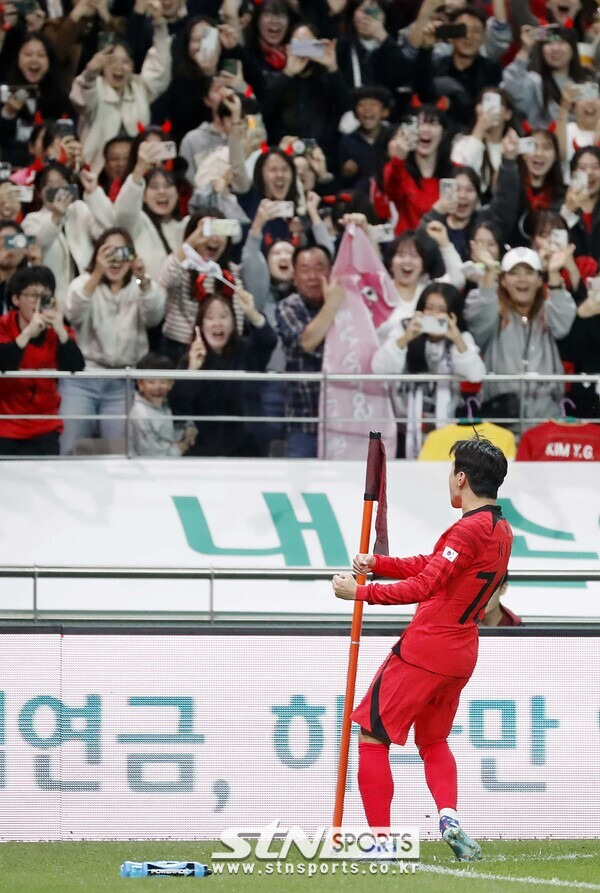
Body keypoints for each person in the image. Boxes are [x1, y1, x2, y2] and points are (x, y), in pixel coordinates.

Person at [331, 436, 513, 861]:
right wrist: (379, 564)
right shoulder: (501, 530)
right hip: (462, 652)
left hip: (427, 648)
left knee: (372, 736)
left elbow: (424, 586)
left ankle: (381, 843)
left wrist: (360, 593)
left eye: (452, 473)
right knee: (433, 742)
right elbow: (432, 567)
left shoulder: (467, 529)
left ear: (462, 478)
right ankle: (448, 817)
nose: (449, 481)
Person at [60, 226, 165, 454]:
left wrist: (143, 280)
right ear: (98, 254)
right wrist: (97, 272)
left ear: (132, 257)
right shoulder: (84, 282)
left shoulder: (141, 286)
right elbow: (73, 314)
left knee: (120, 452)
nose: (116, 261)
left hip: (123, 380)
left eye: (122, 253)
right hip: (83, 379)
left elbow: (155, 316)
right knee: (68, 446)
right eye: (109, 253)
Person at [0, 265, 84, 456]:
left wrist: (61, 330)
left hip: (44, 425)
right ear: (16, 299)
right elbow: (4, 362)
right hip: (4, 424)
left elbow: (76, 366)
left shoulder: (57, 329)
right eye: (32, 295)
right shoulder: (3, 325)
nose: (38, 303)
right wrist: (28, 333)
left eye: (45, 296)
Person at [275, 244, 346, 458]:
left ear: (331, 271)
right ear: (295, 276)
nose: (313, 276)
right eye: (305, 270)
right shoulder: (287, 307)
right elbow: (307, 342)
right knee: (300, 490)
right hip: (304, 422)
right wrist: (332, 306)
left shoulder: (349, 306)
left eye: (319, 268)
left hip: (345, 422)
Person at [128, 351, 197, 457]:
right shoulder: (140, 414)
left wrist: (188, 429)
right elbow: (150, 454)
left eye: (163, 381)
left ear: (171, 383)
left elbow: (176, 427)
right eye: (151, 382)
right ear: (140, 384)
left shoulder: (167, 404)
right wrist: (178, 449)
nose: (158, 387)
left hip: (169, 464)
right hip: (148, 467)